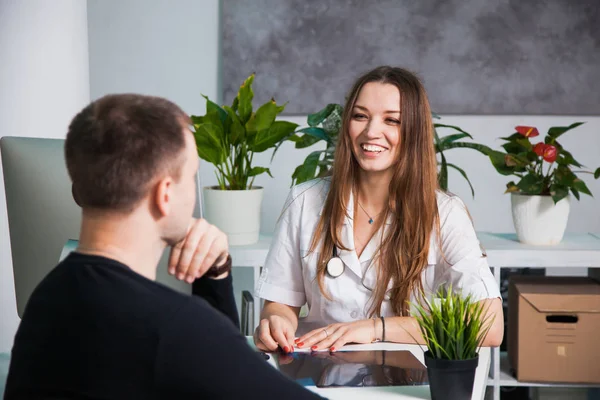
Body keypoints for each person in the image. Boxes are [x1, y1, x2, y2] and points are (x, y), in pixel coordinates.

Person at [4, 94, 321, 399]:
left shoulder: (47, 298)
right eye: (192, 176)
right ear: (164, 194)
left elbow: (218, 371)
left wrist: (214, 276)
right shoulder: (171, 327)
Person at [254, 66, 504, 354]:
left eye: (392, 120)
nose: (372, 132)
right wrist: (276, 321)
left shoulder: (445, 213)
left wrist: (375, 328)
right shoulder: (304, 201)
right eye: (360, 116)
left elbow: (491, 324)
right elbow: (280, 302)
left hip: (405, 382)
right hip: (321, 373)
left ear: (414, 131)